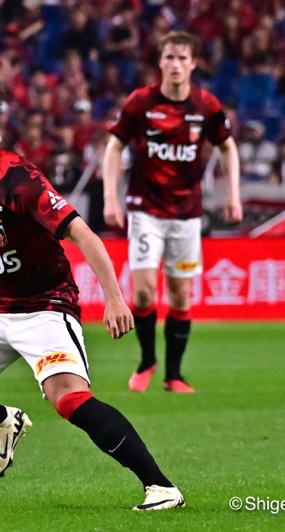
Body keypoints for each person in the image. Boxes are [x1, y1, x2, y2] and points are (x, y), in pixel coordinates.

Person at [0, 73, 185, 511]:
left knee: (69, 400)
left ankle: (160, 486)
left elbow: (84, 235)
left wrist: (114, 297)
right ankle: (0, 421)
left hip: (44, 308)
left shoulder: (18, 179)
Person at [102, 31, 242, 394]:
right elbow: (113, 147)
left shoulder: (206, 105)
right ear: (160, 62)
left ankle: (174, 375)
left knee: (180, 296)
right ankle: (147, 361)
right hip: (145, 209)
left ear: (193, 63)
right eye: (169, 57)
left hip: (186, 214)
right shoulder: (140, 103)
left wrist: (233, 195)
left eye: (182, 58)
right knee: (145, 293)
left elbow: (228, 148)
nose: (176, 64)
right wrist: (111, 198)